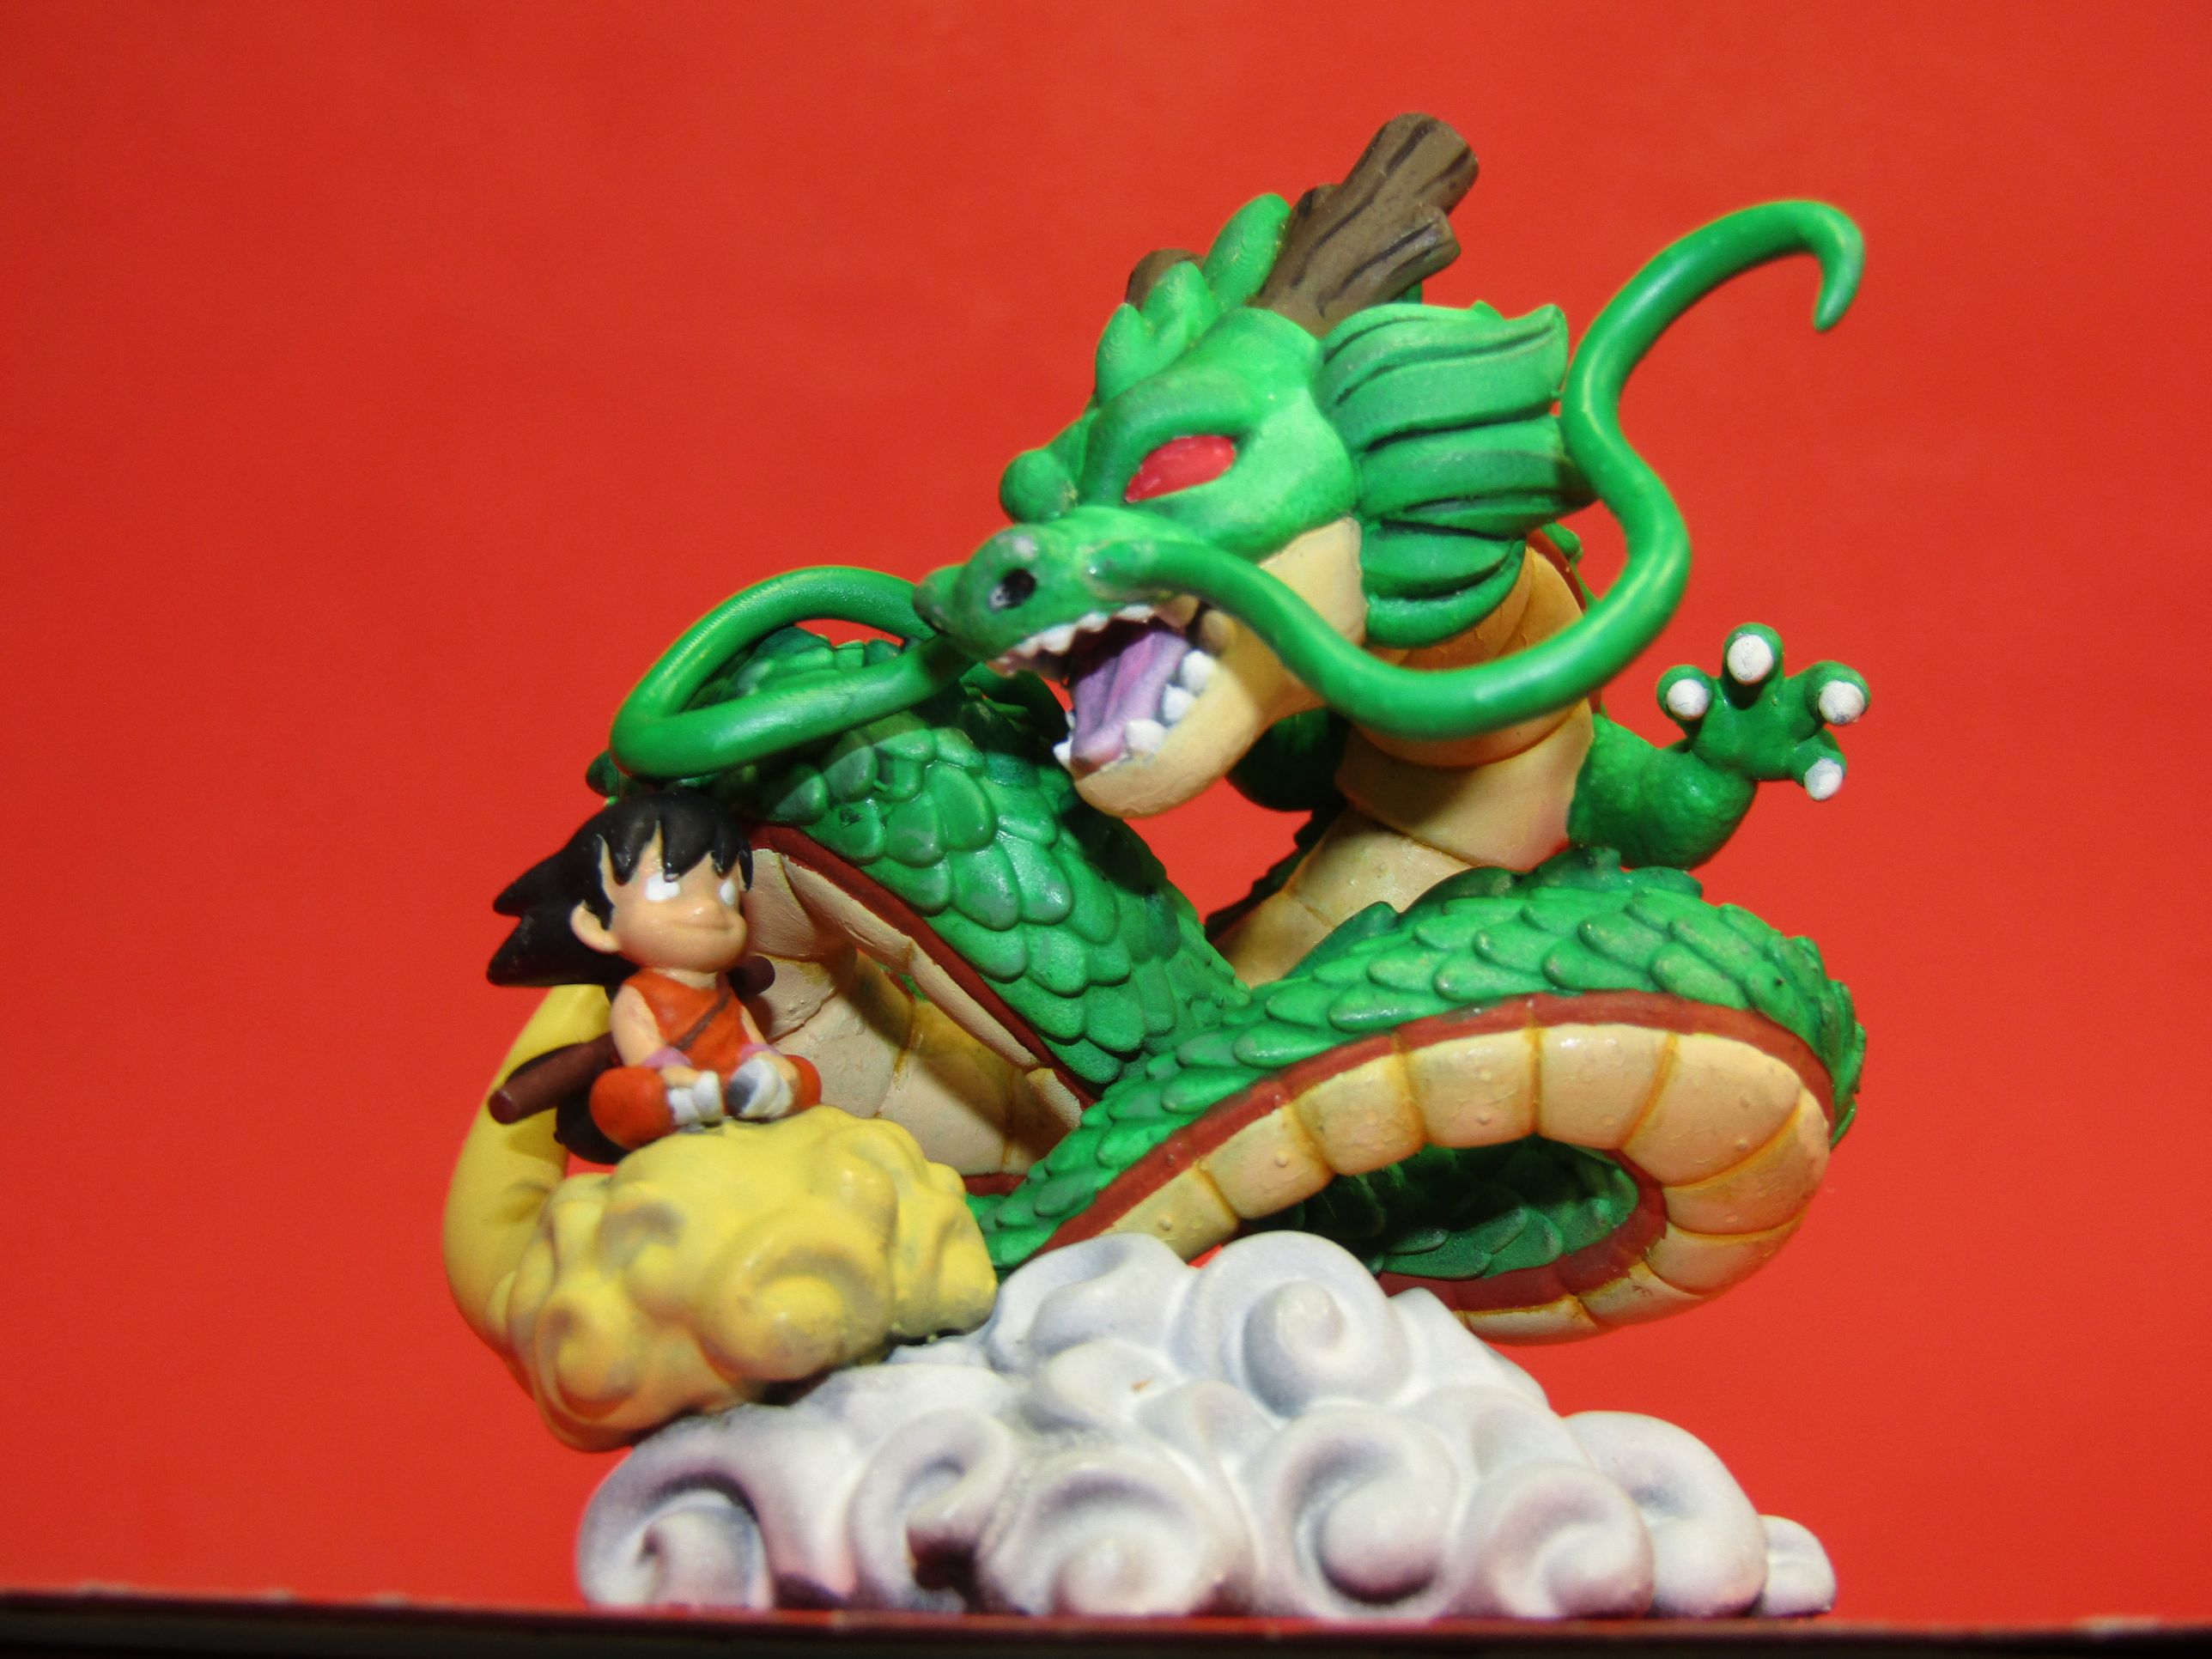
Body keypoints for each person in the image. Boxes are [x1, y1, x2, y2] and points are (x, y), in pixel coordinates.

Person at [487, 789, 817, 1153]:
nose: (707, 909)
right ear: (597, 925)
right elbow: (643, 1048)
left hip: (731, 1078)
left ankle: (761, 1091)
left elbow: (747, 1034)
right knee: (617, 1094)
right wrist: (670, 1072)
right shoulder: (638, 996)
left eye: (726, 895)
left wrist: (761, 1058)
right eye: (666, 888)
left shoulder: (723, 990)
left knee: (802, 1072)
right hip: (674, 1081)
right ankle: (680, 1103)